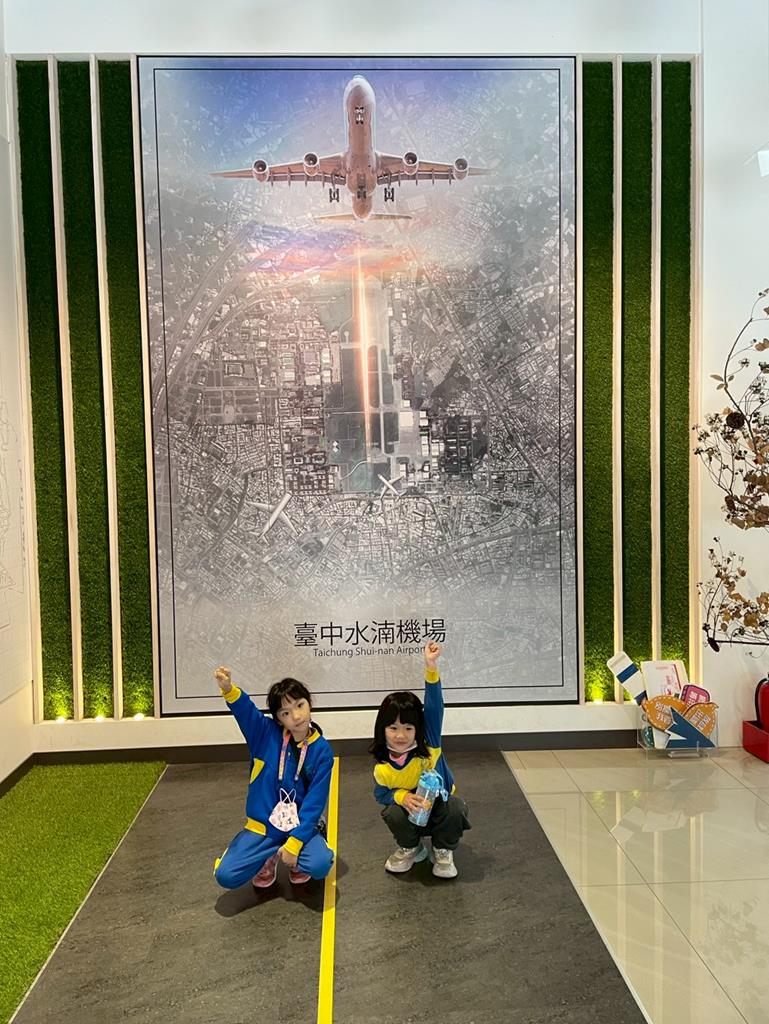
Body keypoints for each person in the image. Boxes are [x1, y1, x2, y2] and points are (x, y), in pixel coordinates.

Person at [212, 666, 334, 889]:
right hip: (263, 828)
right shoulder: (265, 734)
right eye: (285, 713)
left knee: (319, 865)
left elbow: (315, 801)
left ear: (309, 703)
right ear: (278, 719)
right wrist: (229, 689)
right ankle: (267, 857)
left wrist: (295, 844)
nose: (296, 716)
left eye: (300, 705)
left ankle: (297, 855)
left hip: (299, 826)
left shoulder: (322, 751)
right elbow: (246, 712)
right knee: (226, 875)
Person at [370, 641, 469, 878]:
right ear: (382, 730)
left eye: (408, 728)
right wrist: (401, 797)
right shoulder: (383, 768)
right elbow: (381, 795)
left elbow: (434, 707)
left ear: (418, 729)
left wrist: (431, 667)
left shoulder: (430, 745)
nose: (400, 735)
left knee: (456, 807)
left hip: (439, 811)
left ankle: (442, 849)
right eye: (393, 728)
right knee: (392, 813)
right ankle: (412, 848)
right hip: (411, 816)